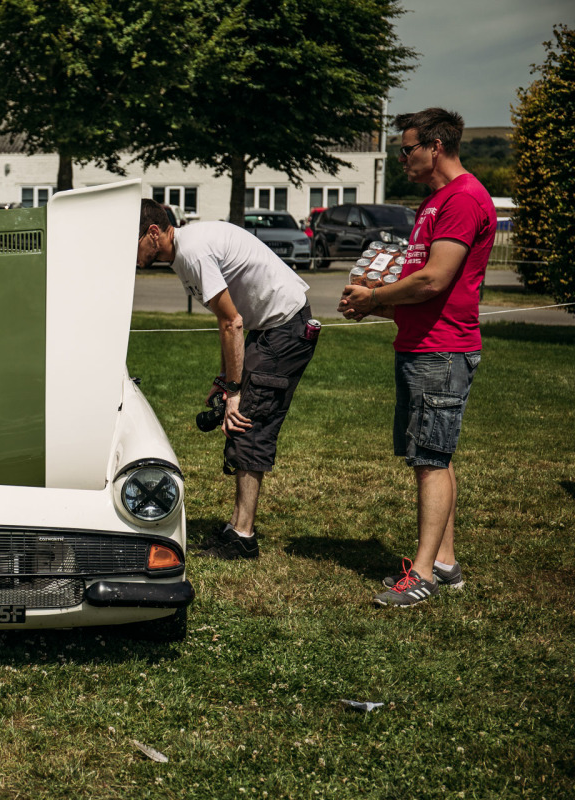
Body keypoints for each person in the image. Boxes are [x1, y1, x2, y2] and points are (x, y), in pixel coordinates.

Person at [338, 108, 495, 608]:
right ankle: (445, 563)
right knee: (432, 458)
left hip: (441, 349)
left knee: (431, 459)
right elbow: (418, 278)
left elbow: (434, 279)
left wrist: (376, 299)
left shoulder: (465, 198)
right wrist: (374, 295)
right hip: (422, 345)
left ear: (436, 146)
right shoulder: (438, 201)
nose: (400, 157)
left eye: (407, 149)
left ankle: (423, 575)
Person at [138, 198, 318, 559]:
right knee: (242, 422)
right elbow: (229, 321)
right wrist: (224, 378)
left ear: (153, 233)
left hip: (284, 329)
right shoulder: (183, 253)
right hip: (269, 329)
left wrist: (234, 392)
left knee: (247, 423)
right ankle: (237, 525)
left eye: (130, 243)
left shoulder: (192, 253)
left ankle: (243, 537)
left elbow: (231, 322)